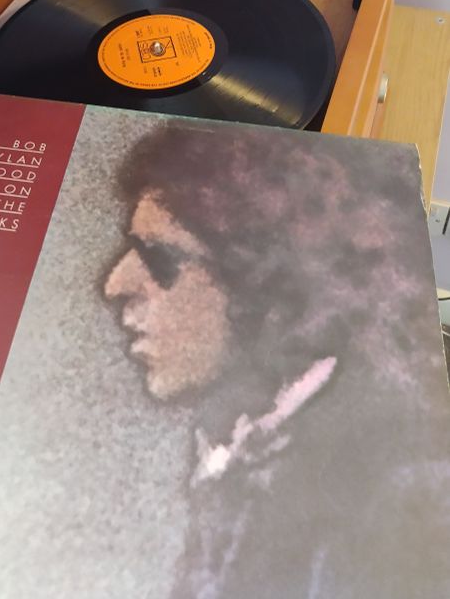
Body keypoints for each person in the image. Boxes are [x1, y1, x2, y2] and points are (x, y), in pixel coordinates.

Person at [103, 122, 450, 598]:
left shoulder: (390, 492)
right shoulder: (239, 449)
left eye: (160, 258)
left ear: (263, 278)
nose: (115, 284)